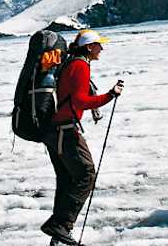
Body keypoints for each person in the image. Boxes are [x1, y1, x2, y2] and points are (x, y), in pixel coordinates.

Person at [41, 29, 123, 245]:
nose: (101, 48)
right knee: (86, 174)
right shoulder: (80, 65)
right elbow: (80, 101)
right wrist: (110, 95)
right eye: (98, 45)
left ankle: (57, 235)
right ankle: (60, 225)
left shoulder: (71, 63)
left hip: (55, 131)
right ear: (89, 47)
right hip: (65, 131)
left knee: (68, 180)